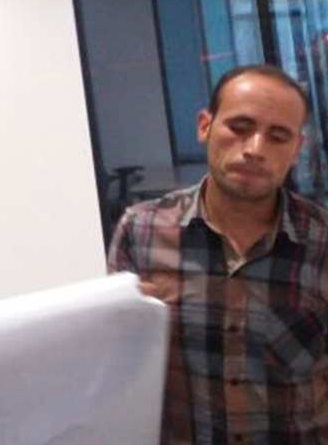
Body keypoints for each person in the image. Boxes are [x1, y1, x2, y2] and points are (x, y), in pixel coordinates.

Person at [108, 63, 328, 444]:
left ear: (296, 148)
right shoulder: (141, 231)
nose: (255, 149)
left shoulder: (321, 243)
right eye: (239, 128)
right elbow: (117, 364)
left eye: (278, 136)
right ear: (204, 126)